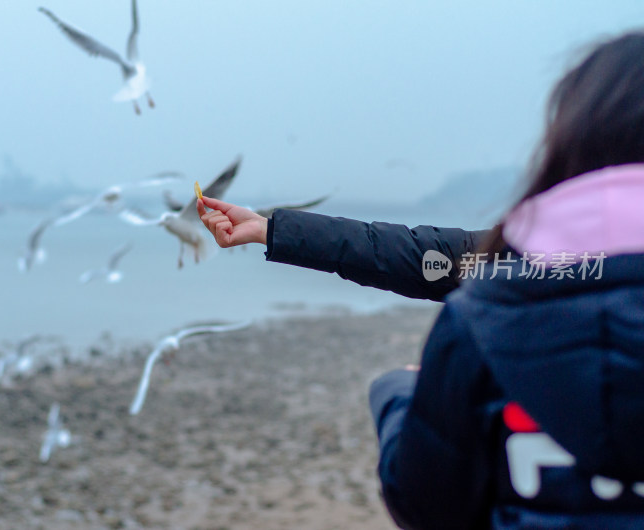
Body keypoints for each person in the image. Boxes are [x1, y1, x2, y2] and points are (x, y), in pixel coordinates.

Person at [197, 29, 644, 529]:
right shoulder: (518, 264)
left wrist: (400, 394)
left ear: (573, 139)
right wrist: (273, 229)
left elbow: (423, 501)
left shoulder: (487, 314)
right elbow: (428, 257)